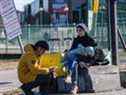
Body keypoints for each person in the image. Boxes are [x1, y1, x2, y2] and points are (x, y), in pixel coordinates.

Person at [63, 23, 97, 94]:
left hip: (86, 60)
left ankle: (89, 88)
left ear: (85, 30)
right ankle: (74, 86)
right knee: (75, 63)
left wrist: (87, 63)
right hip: (77, 60)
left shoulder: (90, 40)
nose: (79, 32)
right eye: (77, 30)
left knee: (84, 68)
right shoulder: (76, 40)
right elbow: (72, 53)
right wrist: (80, 61)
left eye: (80, 30)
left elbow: (93, 55)